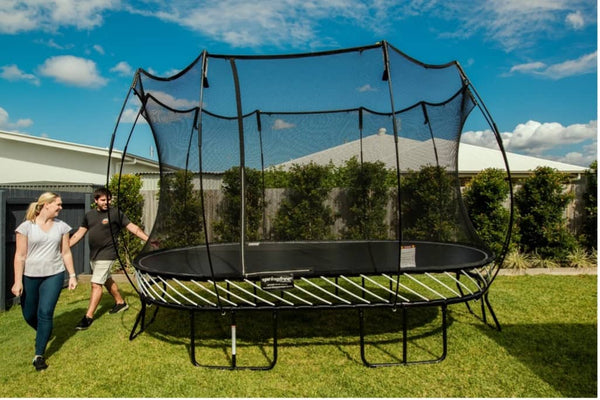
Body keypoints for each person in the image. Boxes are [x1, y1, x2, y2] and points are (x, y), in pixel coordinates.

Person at [12, 192, 78, 371]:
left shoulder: (62, 227)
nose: (61, 207)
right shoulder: (26, 227)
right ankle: (44, 332)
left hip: (54, 274)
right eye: (58, 204)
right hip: (30, 276)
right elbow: (20, 256)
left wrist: (72, 275)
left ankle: (39, 355)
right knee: (29, 315)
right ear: (46, 205)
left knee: (45, 312)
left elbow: (65, 252)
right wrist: (18, 282)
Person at [69, 187, 149, 330]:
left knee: (95, 284)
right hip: (94, 255)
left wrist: (148, 240)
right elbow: (78, 234)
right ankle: (120, 303)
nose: (107, 202)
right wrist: (66, 246)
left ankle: (88, 317)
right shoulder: (89, 216)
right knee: (106, 280)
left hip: (108, 254)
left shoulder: (115, 213)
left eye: (108, 199)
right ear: (96, 200)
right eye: (103, 200)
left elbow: (133, 228)